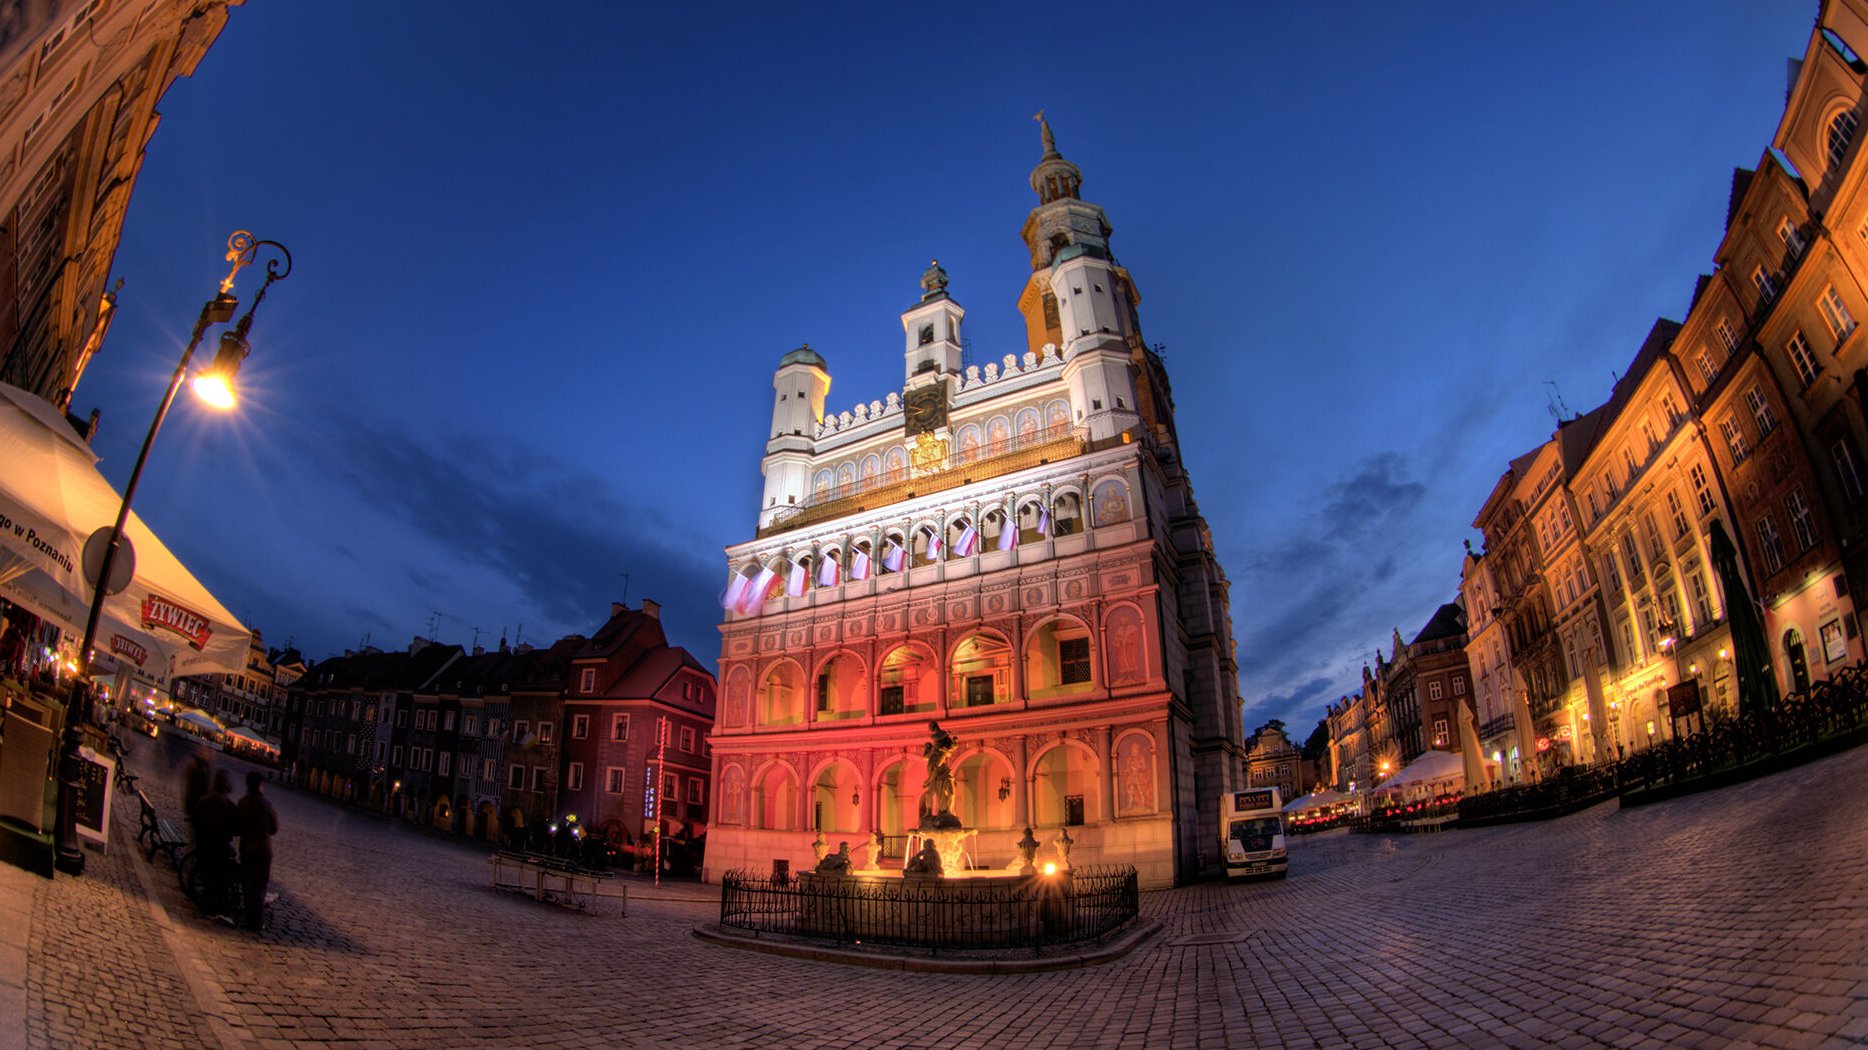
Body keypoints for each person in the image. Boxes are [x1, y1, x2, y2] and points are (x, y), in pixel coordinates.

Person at [193, 770, 239, 921]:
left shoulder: (204, 800)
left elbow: (195, 821)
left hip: (204, 846)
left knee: (209, 877)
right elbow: (236, 828)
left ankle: (207, 907)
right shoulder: (229, 805)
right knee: (223, 877)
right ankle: (223, 910)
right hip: (220, 848)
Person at [235, 771, 278, 931]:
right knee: (260, 887)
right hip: (262, 852)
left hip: (247, 849)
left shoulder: (242, 802)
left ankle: (248, 918)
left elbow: (237, 826)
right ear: (259, 786)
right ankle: (256, 921)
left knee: (248, 886)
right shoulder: (266, 804)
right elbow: (274, 827)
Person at [182, 749, 211, 846]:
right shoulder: (201, 773)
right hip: (197, 807)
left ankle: (194, 846)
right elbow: (204, 790)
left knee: (194, 831)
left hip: (193, 806)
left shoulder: (193, 770)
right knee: (197, 832)